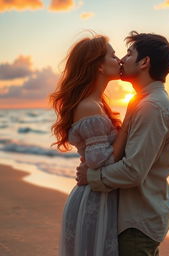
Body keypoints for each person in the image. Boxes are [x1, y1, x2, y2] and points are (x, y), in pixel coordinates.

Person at [76, 31, 169, 256]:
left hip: (137, 222)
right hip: (134, 216)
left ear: (144, 62)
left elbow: (133, 171)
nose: (123, 59)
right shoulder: (142, 102)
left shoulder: (152, 106)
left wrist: (90, 177)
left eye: (129, 53)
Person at [50, 35, 130, 256]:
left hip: (99, 196)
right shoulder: (89, 107)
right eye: (113, 55)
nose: (119, 60)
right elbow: (99, 160)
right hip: (94, 202)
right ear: (99, 66)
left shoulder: (97, 104)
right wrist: (127, 126)